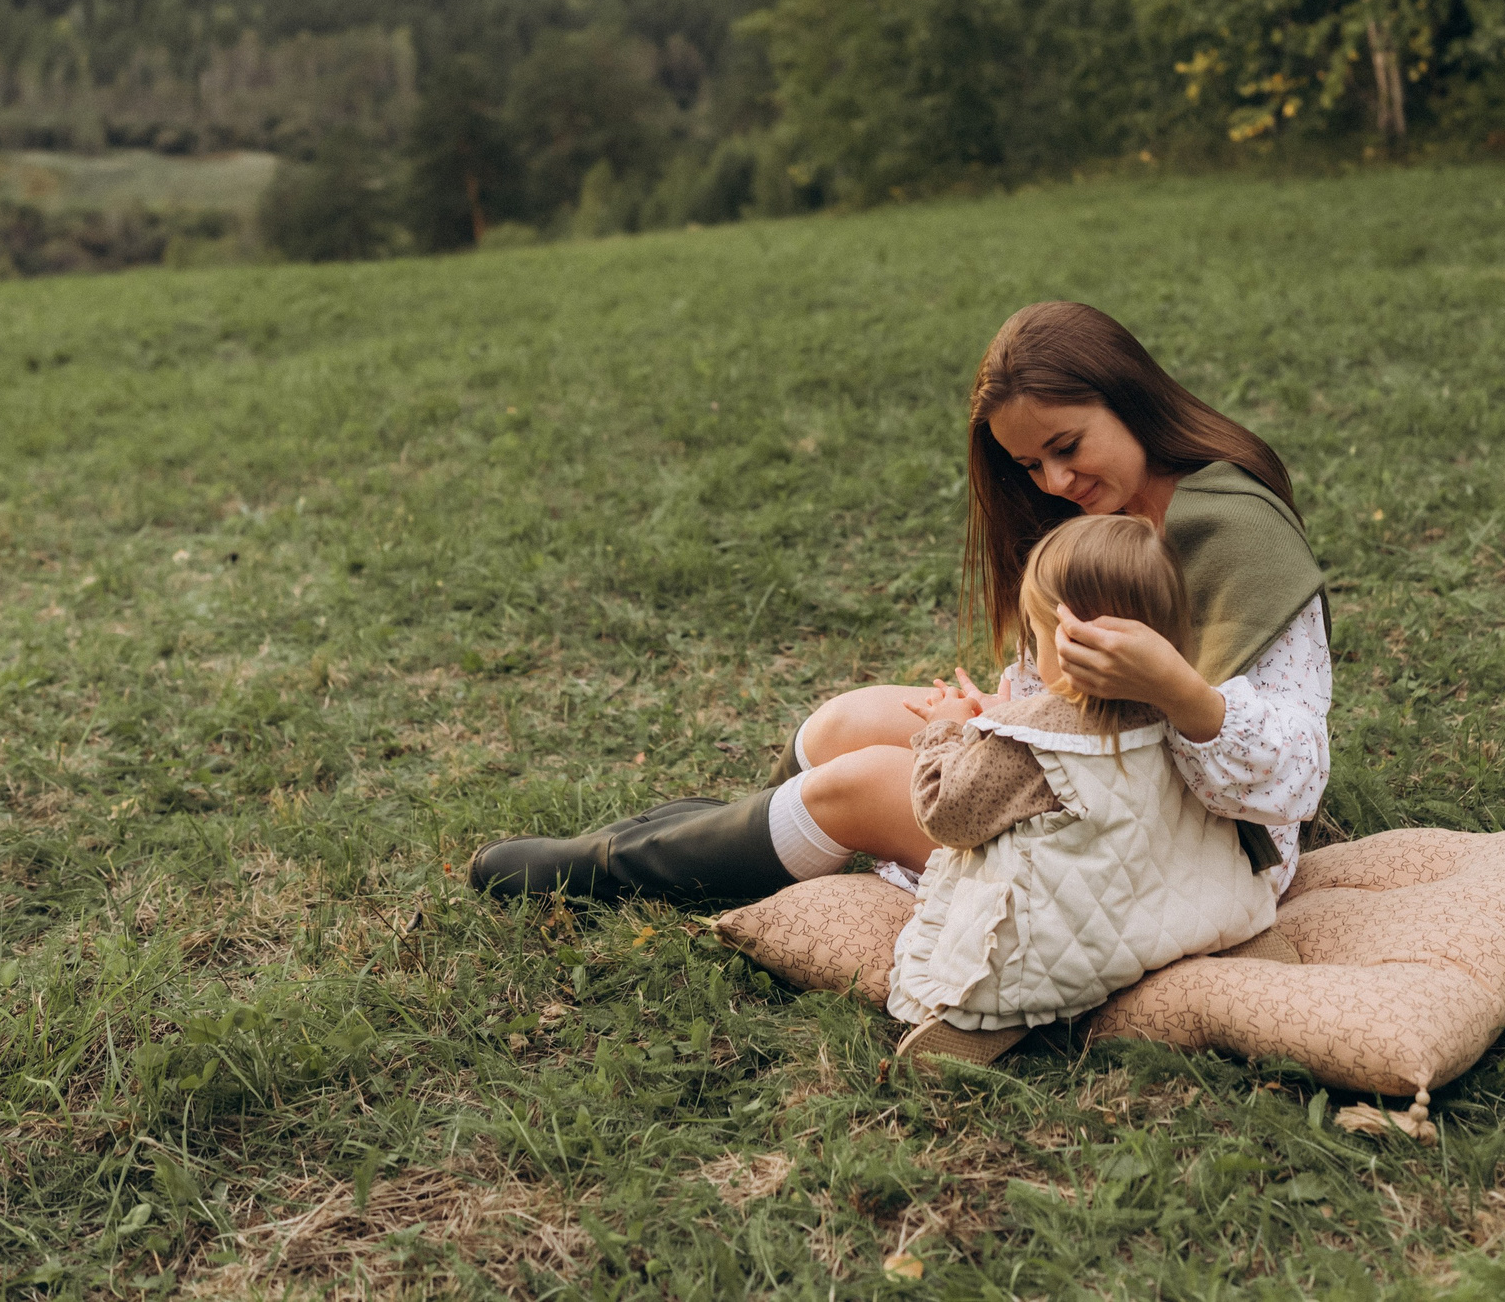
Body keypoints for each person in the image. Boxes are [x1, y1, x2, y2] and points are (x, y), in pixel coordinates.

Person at [467, 299, 1331, 906]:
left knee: (872, 783)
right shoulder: (1089, 513)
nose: (1057, 482)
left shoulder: (1235, 530)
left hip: (1192, 851)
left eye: (1067, 447)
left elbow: (1295, 776)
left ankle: (611, 869)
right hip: (1095, 783)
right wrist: (1003, 714)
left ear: (1128, 396)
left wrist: (1183, 694)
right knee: (853, 720)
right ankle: (731, 842)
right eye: (1031, 466)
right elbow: (1073, 707)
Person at [886, 513, 1277, 1046]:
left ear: (1071, 644)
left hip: (1058, 954)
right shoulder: (1179, 707)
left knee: (993, 966)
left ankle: (988, 1023)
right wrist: (1002, 721)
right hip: (1182, 912)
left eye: (1036, 635)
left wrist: (948, 732)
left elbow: (944, 811)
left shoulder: (1028, 743)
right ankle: (1242, 944)